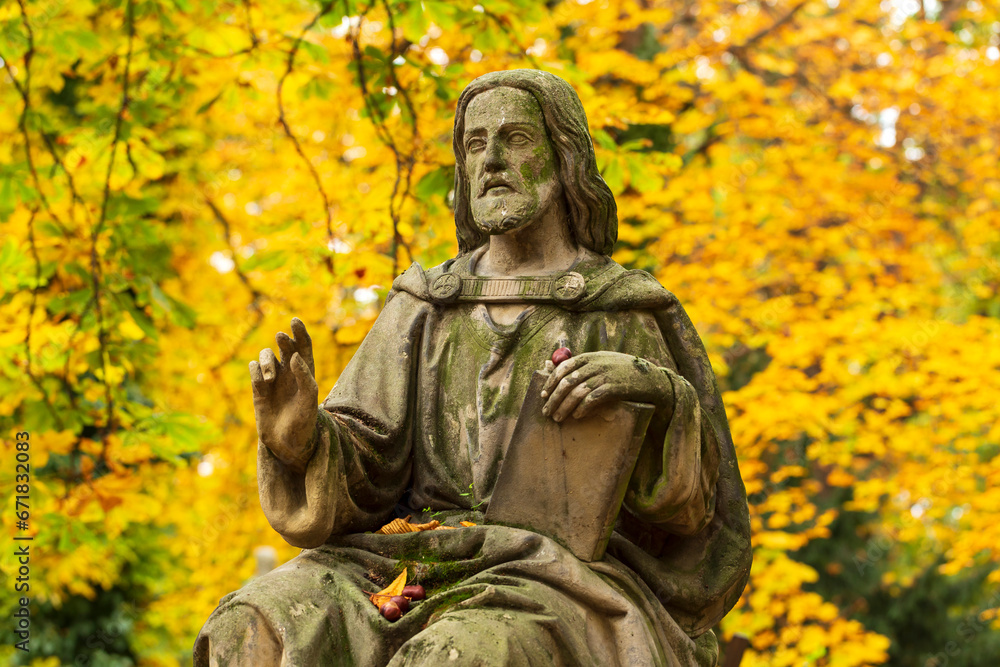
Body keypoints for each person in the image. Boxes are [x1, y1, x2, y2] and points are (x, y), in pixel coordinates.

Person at [194, 69, 751, 667]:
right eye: (476, 144)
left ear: (563, 158)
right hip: (406, 557)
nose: (491, 161)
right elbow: (370, 463)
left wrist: (657, 395)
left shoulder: (620, 307)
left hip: (551, 574)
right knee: (250, 621)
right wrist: (303, 442)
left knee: (464, 652)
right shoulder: (426, 303)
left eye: (515, 139)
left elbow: (693, 518)